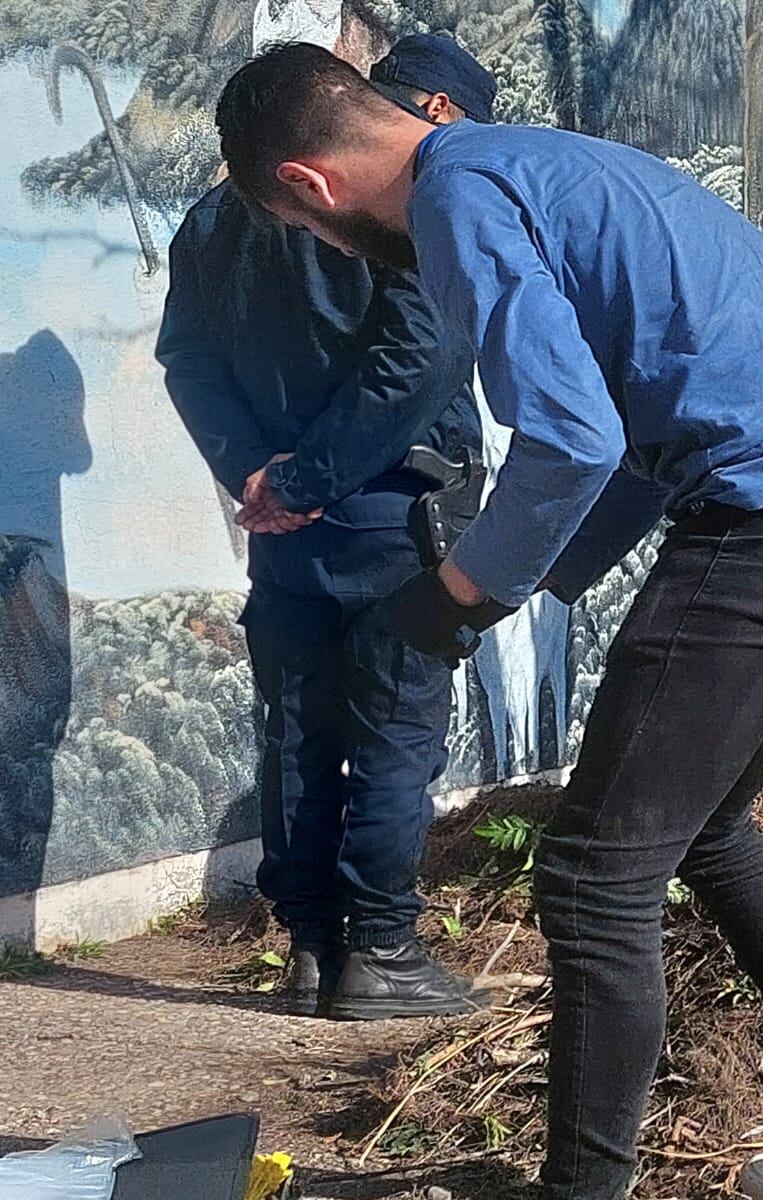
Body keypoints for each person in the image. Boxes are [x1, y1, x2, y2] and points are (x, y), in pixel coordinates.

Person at [213, 42, 763, 1200]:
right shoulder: (534, 163)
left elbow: (572, 439)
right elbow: (637, 425)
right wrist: (531, 584)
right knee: (702, 834)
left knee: (596, 872)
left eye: (304, 230)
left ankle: (583, 1191)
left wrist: (458, 594)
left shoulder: (456, 200)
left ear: (308, 185)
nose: (322, 246)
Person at [156, 35, 499, 1021]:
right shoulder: (403, 210)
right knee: (393, 740)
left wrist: (259, 478)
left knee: (299, 739)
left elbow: (187, 358)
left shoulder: (222, 214)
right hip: (395, 515)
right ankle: (381, 953)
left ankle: (309, 946)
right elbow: (420, 364)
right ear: (437, 110)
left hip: (285, 525)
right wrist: (305, 476)